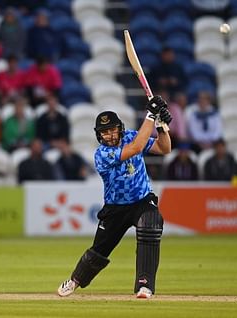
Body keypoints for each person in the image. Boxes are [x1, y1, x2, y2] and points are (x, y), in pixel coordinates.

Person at [57, 96, 172, 299]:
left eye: (112, 130)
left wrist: (162, 127)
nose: (109, 136)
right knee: (99, 250)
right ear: (98, 135)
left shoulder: (132, 136)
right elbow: (136, 148)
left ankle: (144, 286)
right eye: (104, 132)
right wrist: (151, 115)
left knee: (151, 224)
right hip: (115, 208)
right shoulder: (101, 155)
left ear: (120, 128)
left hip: (141, 200)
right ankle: (74, 281)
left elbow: (165, 148)